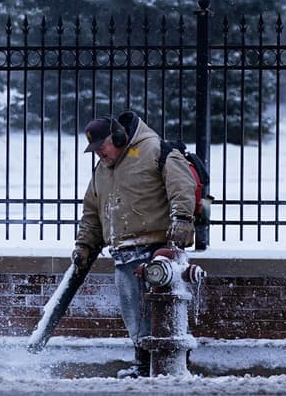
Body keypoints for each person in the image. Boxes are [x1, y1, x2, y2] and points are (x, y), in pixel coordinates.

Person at [72, 110, 197, 378]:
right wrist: (84, 244)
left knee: (162, 312)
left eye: (101, 147)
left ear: (118, 137)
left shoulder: (154, 150)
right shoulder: (102, 171)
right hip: (124, 255)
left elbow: (181, 185)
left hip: (156, 250)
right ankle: (144, 365)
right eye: (94, 150)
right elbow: (92, 211)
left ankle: (173, 363)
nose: (99, 154)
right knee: (136, 317)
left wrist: (183, 220)